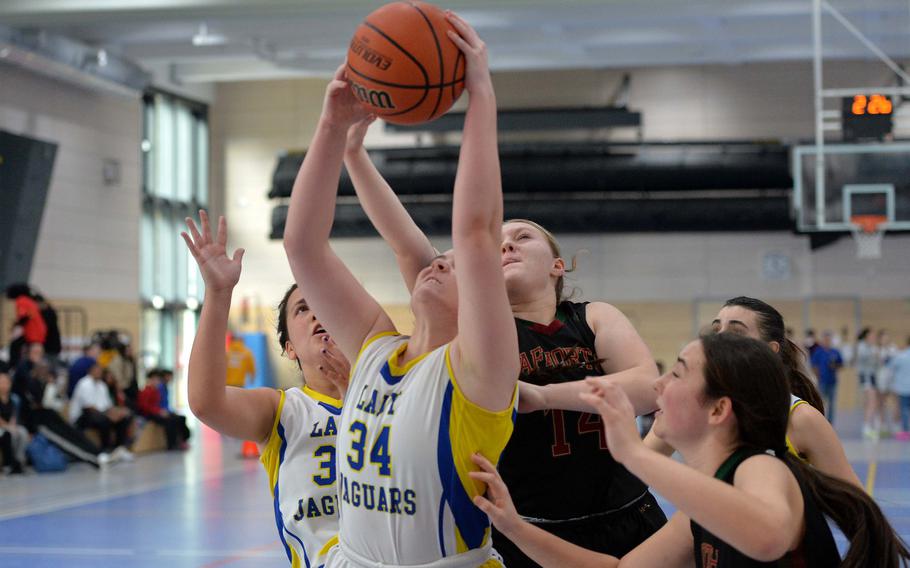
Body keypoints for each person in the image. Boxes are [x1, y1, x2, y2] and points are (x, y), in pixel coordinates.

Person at [344, 59, 663, 568]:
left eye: (522, 238)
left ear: (557, 265)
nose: (506, 246)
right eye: (495, 243)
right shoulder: (473, 329)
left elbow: (648, 386)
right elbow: (408, 246)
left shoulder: (594, 317)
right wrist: (355, 157)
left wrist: (538, 396)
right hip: (523, 529)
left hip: (623, 513)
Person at [284, 12, 519, 566]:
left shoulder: (481, 375)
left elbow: (478, 232)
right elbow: (303, 247)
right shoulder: (375, 346)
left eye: (457, 266)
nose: (439, 263)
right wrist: (332, 128)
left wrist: (481, 94)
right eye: (439, 260)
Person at [470, 333, 910, 568]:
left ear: (719, 409)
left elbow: (768, 536)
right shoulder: (704, 506)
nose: (659, 384)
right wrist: (515, 527)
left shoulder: (763, 468)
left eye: (677, 374)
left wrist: (632, 453)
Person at [182, 211, 349, 566]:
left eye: (325, 302)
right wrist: (218, 293)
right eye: (304, 309)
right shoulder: (284, 410)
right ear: (290, 348)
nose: (318, 313)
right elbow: (205, 403)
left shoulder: (392, 395)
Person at [701, 297, 860, 486]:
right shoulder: (705, 411)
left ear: (769, 350)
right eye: (716, 329)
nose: (720, 338)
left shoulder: (802, 418)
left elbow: (857, 506)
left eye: (736, 331)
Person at [69, 362, 134, 455]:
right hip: (83, 416)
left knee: (124, 418)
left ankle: (118, 448)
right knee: (104, 420)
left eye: (101, 371)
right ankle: (104, 449)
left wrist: (118, 412)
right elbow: (89, 407)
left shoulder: (102, 385)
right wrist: (108, 415)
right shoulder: (84, 383)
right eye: (97, 370)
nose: (100, 372)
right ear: (91, 371)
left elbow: (108, 405)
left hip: (100, 414)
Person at [137, 369, 190, 450]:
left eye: (158, 380)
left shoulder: (155, 391)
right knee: (170, 421)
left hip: (157, 412)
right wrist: (159, 411)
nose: (157, 382)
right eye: (156, 379)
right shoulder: (146, 391)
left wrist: (162, 411)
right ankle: (171, 444)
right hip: (149, 414)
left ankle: (180, 441)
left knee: (178, 419)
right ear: (150, 379)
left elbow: (158, 404)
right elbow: (145, 407)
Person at [5, 284, 46, 368]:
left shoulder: (21, 300)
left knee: (15, 346)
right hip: (39, 332)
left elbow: (24, 316)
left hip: (32, 333)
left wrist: (16, 325)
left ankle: (13, 366)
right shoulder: (29, 300)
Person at [810, 331, 843, 423]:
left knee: (832, 404)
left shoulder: (835, 352)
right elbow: (814, 366)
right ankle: (820, 421)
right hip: (822, 381)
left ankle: (830, 422)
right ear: (822, 340)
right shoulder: (818, 352)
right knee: (821, 402)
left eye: (829, 339)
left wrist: (835, 366)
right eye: (825, 339)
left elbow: (840, 364)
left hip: (832, 381)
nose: (827, 341)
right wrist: (818, 376)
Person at [854, 327, 882, 439]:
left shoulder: (871, 347)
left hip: (872, 376)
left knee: (871, 402)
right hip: (866, 377)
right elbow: (862, 357)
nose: (873, 337)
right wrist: (875, 354)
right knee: (871, 402)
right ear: (866, 336)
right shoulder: (862, 346)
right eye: (871, 335)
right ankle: (866, 427)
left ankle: (869, 425)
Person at [0, 365, 27, 474]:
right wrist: (7, 426)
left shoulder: (14, 398)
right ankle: (8, 464)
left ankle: (18, 461)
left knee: (22, 432)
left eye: (6, 382)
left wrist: (12, 425)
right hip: (2, 426)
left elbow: (14, 414)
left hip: (9, 424)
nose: (4, 385)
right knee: (8, 434)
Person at [887, 337, 910, 441]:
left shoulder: (901, 356)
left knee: (904, 410)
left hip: (903, 388)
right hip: (904, 387)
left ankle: (906, 431)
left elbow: (890, 366)